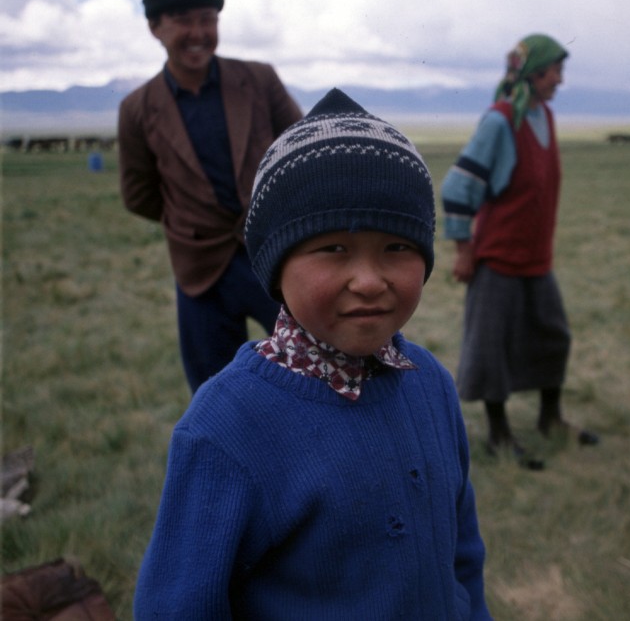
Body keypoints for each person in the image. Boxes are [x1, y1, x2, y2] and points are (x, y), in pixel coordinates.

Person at [134, 89, 491, 619]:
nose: (369, 281)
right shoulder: (226, 429)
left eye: (397, 247)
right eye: (333, 249)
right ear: (276, 266)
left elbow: (462, 554)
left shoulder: (431, 384)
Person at [118, 0, 303, 393]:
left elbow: (302, 151)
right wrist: (191, 221)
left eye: (208, 19)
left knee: (319, 367)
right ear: (155, 28)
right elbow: (138, 194)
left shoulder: (259, 80)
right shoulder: (138, 109)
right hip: (199, 272)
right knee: (215, 396)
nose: (198, 32)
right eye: (183, 20)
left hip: (274, 256)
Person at [441, 33, 598, 470]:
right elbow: (457, 188)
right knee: (492, 346)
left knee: (553, 335)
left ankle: (551, 419)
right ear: (534, 72)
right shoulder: (500, 120)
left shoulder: (542, 115)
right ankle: (499, 434)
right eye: (555, 72)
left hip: (535, 258)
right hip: (497, 258)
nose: (559, 81)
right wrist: (463, 250)